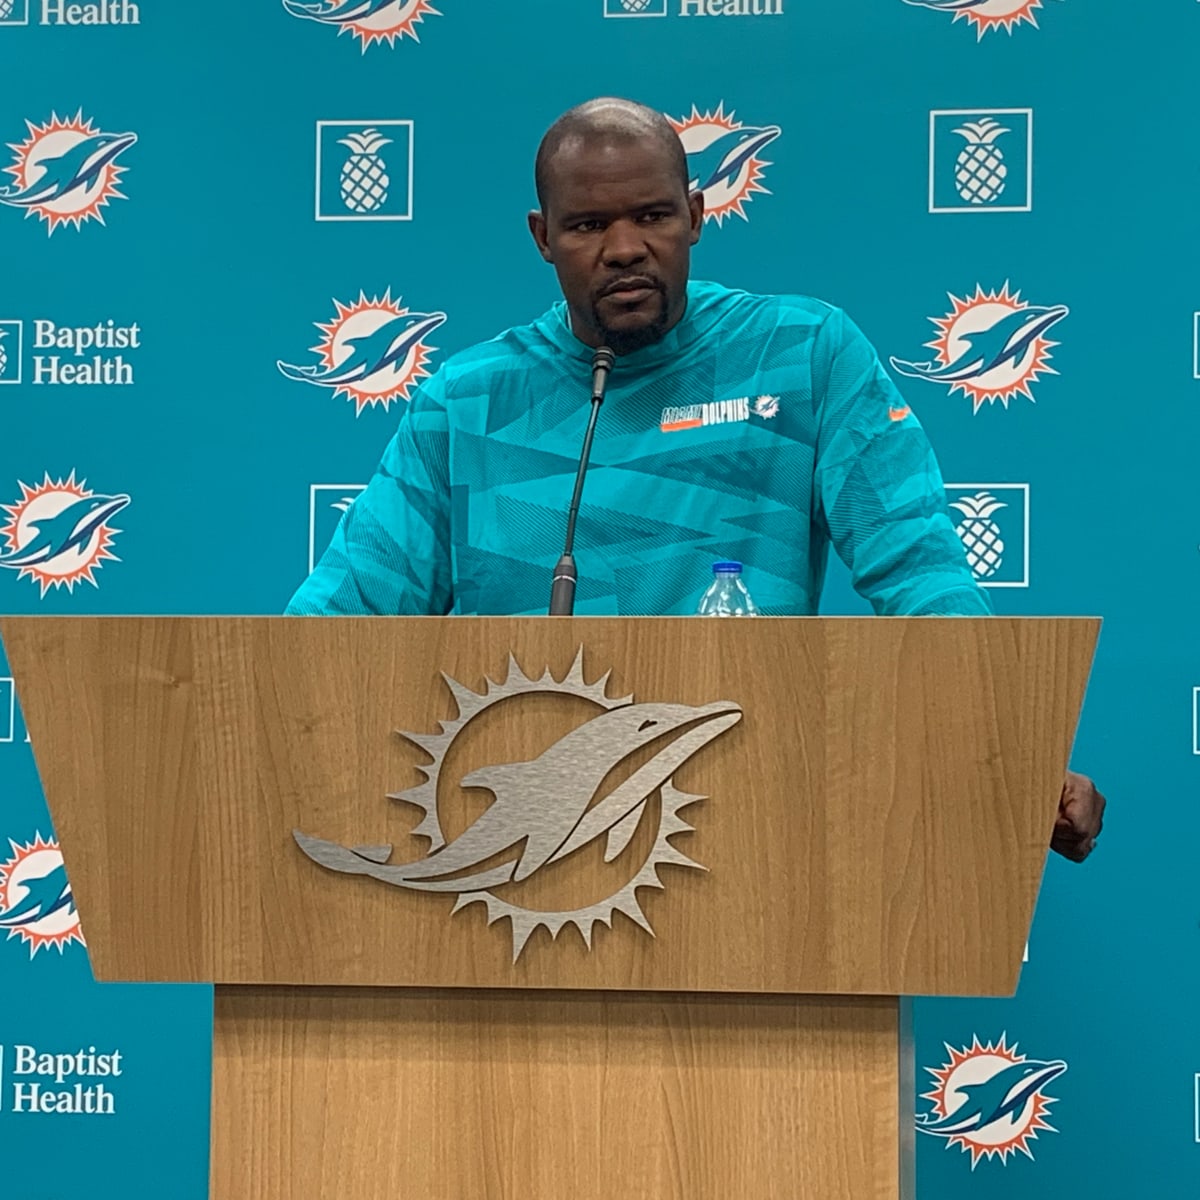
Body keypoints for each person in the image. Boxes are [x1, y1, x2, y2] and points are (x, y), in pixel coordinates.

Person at [286, 96, 1104, 862]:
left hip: (758, 824)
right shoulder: (465, 400)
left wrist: (1016, 753)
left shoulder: (805, 354)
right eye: (588, 224)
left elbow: (918, 568)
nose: (624, 247)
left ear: (697, 217)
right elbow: (340, 620)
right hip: (516, 845)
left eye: (652, 215)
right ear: (541, 236)